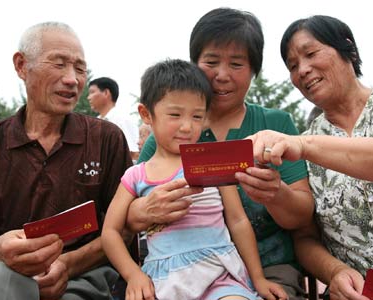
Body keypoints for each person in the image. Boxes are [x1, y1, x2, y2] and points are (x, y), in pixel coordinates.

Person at [129, 8, 314, 300]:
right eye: (211, 62)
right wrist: (143, 211)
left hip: (269, 268)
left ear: (254, 70)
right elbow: (128, 211)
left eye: (237, 64)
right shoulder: (167, 137)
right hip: (184, 275)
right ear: (194, 64)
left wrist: (276, 192)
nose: (222, 75)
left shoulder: (276, 125)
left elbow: (303, 216)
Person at [245, 15, 373, 300]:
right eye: (292, 66)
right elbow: (305, 238)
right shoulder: (300, 146)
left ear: (349, 51)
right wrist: (334, 272)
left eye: (311, 53)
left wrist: (303, 144)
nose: (302, 70)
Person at [102, 59, 287, 300]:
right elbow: (111, 232)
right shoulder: (136, 175)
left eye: (197, 117)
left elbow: (237, 220)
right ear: (146, 114)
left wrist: (258, 277)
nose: (187, 127)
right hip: (163, 279)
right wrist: (133, 275)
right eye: (175, 115)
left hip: (218, 273)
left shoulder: (214, 160)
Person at [0, 22, 132, 300]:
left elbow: (125, 229)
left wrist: (67, 264)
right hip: (3, 278)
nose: (72, 79)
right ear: (21, 66)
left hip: (89, 279)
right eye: (59, 64)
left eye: (80, 68)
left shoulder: (106, 138)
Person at [88, 76, 140, 160]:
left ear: (106, 93)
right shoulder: (95, 122)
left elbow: (134, 154)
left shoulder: (122, 120)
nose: (88, 97)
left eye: (92, 92)